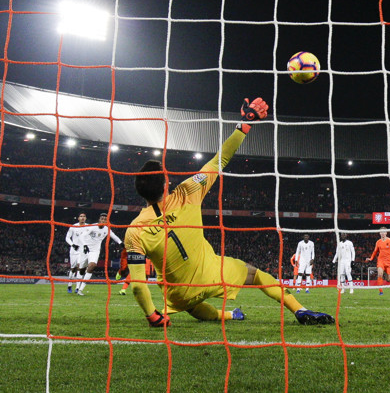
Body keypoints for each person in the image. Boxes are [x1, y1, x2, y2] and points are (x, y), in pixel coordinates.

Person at [123, 98, 333, 327]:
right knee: (255, 274)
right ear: (166, 184)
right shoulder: (187, 191)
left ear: (139, 192)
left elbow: (137, 284)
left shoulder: (135, 230)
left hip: (177, 294)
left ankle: (230, 315)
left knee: (191, 306)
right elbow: (218, 160)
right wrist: (244, 125)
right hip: (212, 276)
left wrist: (153, 317)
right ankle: (300, 310)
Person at [74, 213, 123, 295]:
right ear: (99, 220)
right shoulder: (92, 226)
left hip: (95, 251)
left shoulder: (106, 229)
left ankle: (80, 290)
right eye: (102, 218)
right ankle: (77, 286)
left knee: (92, 266)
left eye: (105, 219)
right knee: (81, 270)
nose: (103, 220)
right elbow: (82, 236)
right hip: (85, 249)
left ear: (106, 221)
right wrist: (85, 245)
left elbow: (114, 236)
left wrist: (121, 243)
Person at [365, 227, 390, 295]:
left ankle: (386, 275)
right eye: (381, 232)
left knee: (388, 279)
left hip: (389, 262)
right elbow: (375, 251)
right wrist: (371, 258)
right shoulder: (378, 242)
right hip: (381, 261)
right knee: (380, 274)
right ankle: (381, 291)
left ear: (386, 233)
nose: (382, 233)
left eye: (384, 232)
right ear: (379, 233)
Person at [65, 212, 89, 293]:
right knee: (73, 269)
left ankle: (77, 288)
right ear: (78, 218)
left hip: (83, 250)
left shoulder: (88, 227)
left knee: (80, 268)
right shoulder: (73, 227)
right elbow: (67, 238)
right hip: (74, 250)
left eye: (84, 216)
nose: (82, 218)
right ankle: (69, 285)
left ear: (85, 218)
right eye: (81, 216)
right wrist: (73, 245)